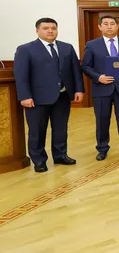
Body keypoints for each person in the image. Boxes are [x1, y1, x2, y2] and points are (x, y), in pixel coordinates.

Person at [14, 17, 84, 172]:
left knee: (60, 129)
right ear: (37, 30)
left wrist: (79, 90)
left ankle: (60, 155)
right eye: (46, 28)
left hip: (62, 96)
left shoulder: (67, 48)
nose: (50, 31)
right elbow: (21, 75)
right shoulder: (25, 49)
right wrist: (24, 96)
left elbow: (75, 71)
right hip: (37, 98)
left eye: (53, 28)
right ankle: (39, 160)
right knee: (37, 131)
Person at [81, 15, 119, 160]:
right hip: (101, 88)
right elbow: (85, 66)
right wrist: (98, 77)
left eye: (112, 23)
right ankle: (102, 148)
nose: (109, 26)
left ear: (117, 26)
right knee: (102, 119)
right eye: (106, 24)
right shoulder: (92, 45)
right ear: (99, 27)